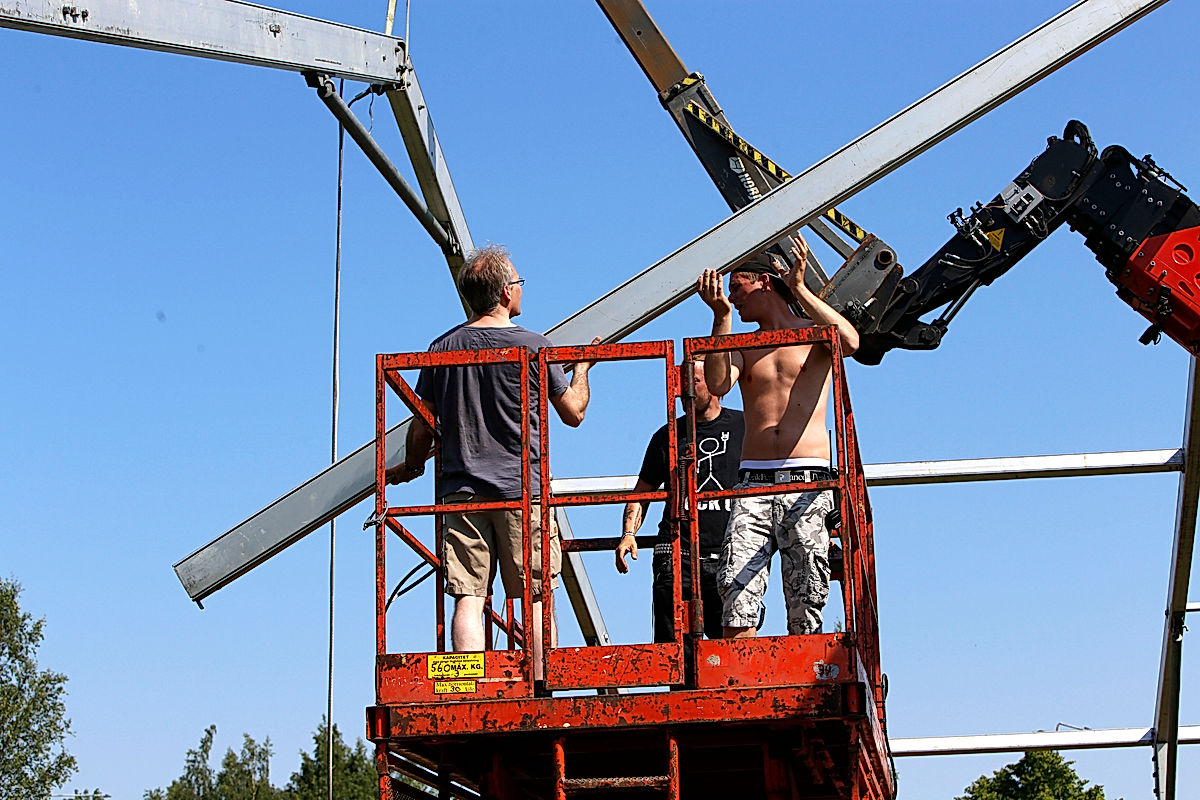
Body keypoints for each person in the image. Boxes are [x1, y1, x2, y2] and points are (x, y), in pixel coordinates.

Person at [389, 245, 596, 679]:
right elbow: (574, 413)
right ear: (505, 293)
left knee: (468, 594)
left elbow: (422, 427)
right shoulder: (534, 346)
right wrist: (582, 369)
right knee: (536, 596)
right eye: (519, 283)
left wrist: (412, 466)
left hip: (461, 492)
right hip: (522, 491)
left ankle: (466, 685)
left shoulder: (442, 348)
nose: (521, 290)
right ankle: (541, 683)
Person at [696, 233, 859, 638]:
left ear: (764, 282)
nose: (733, 297)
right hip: (753, 481)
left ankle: (805, 688)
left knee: (807, 596)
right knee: (736, 589)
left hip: (807, 478)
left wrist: (801, 288)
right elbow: (717, 384)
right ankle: (742, 688)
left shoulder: (812, 335)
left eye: (737, 288)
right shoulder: (743, 344)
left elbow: (851, 342)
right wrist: (720, 318)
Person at [614, 359, 745, 642]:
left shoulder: (743, 427)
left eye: (694, 382)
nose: (685, 389)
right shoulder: (667, 435)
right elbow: (642, 494)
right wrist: (628, 534)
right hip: (676, 557)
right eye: (681, 383)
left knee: (734, 653)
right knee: (676, 654)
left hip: (730, 556)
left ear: (714, 382)